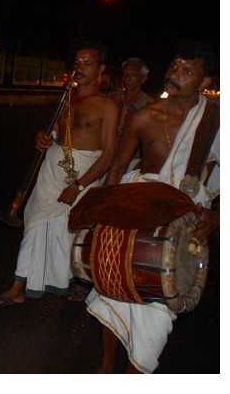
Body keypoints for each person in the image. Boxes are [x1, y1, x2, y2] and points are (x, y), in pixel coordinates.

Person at [85, 41, 220, 374]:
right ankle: (105, 366)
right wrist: (104, 209)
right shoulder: (144, 117)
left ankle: (135, 373)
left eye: (187, 71)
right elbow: (117, 166)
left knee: (160, 309)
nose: (174, 74)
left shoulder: (216, 120)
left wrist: (218, 216)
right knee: (112, 287)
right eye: (174, 66)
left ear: (205, 82)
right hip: (135, 205)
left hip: (184, 216)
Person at [0, 41, 118, 307]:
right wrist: (46, 139)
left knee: (69, 233)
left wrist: (79, 186)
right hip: (52, 172)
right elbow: (60, 132)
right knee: (34, 223)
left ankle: (73, 280)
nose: (80, 68)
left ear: (101, 69)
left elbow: (108, 155)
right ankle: (18, 286)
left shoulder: (107, 106)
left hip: (79, 177)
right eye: (77, 62)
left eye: (87, 63)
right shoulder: (67, 97)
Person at [108, 57, 154, 142]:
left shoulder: (148, 105)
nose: (127, 78)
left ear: (143, 78)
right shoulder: (111, 98)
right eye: (125, 74)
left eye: (133, 74)